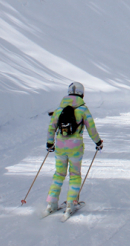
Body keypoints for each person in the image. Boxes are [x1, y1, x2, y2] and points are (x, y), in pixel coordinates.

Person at [44, 82, 103, 218]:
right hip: (75, 147)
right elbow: (91, 128)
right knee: (75, 175)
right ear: (82, 94)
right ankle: (71, 203)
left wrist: (50, 143)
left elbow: (52, 127)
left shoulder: (59, 109)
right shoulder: (83, 110)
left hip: (60, 145)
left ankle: (51, 203)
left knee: (59, 174)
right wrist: (98, 142)